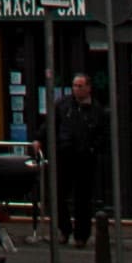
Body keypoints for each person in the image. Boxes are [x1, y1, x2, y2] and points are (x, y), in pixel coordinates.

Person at [53, 66, 104, 243]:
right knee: (58, 194)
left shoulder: (96, 109)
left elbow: (102, 132)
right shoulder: (63, 105)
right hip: (65, 155)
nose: (77, 89)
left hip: (84, 158)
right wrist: (39, 139)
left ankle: (81, 235)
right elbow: (51, 125)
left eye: (80, 86)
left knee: (83, 198)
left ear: (88, 88)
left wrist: (92, 148)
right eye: (75, 85)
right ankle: (64, 229)